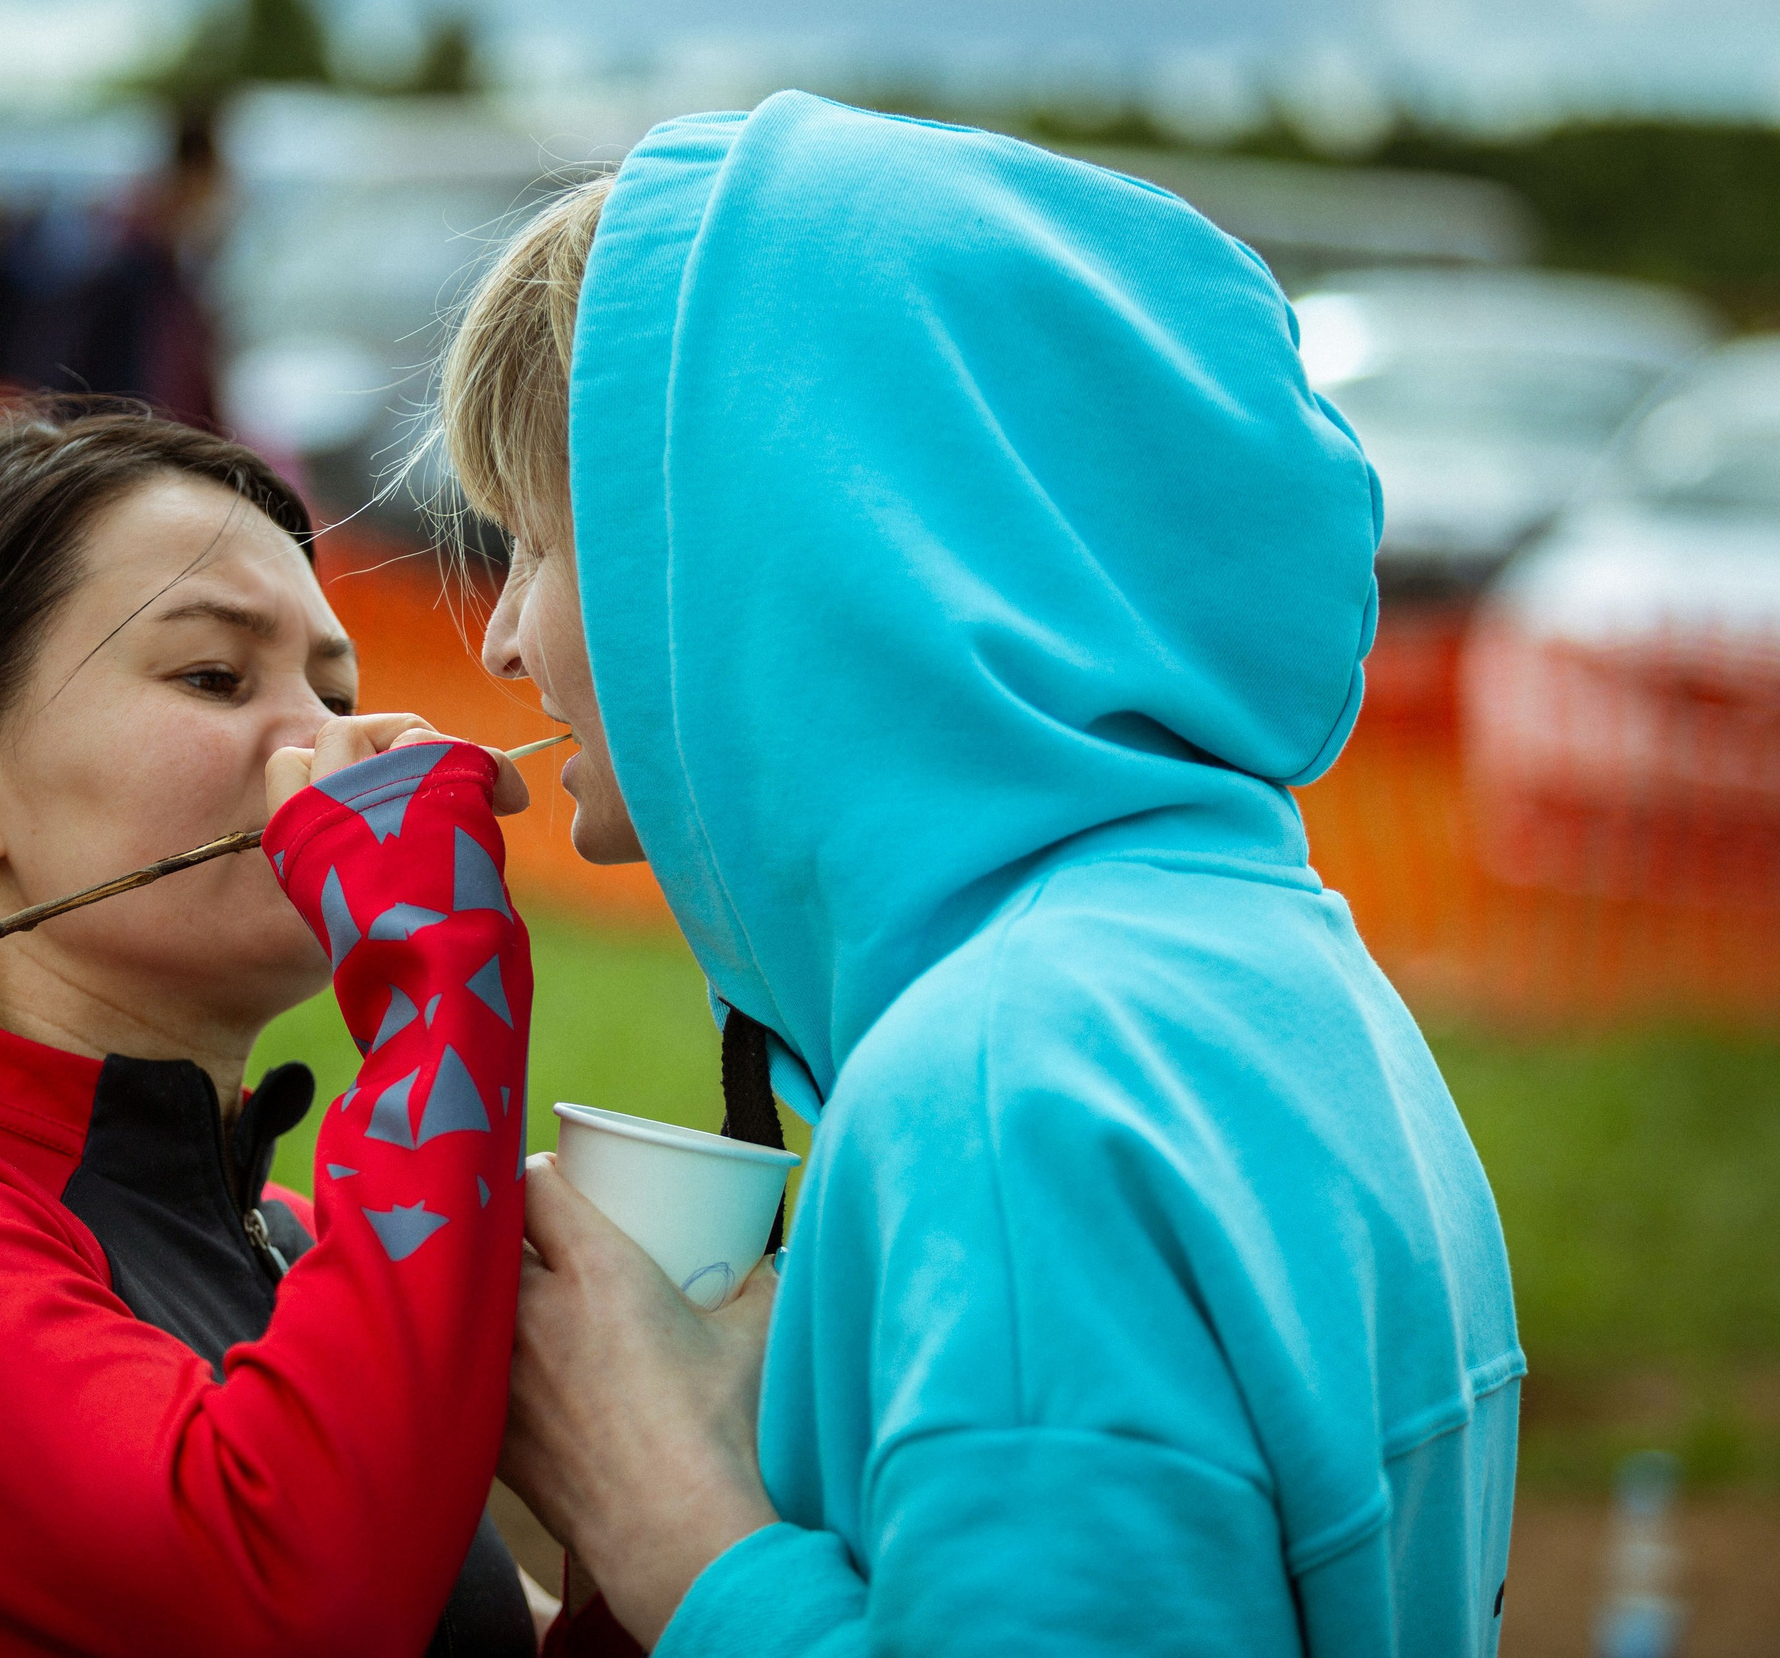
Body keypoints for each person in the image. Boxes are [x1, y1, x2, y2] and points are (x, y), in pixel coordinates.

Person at [441, 93, 1521, 1655]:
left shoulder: (1011, 1088)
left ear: (771, 565)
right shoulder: (1274, 978)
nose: (498, 636)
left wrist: (652, 1495)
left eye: (540, 545)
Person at [0, 407, 548, 1655]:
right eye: (214, 676)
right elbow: (300, 1598)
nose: (331, 745)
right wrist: (437, 970)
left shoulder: (303, 1247)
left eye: (338, 690)